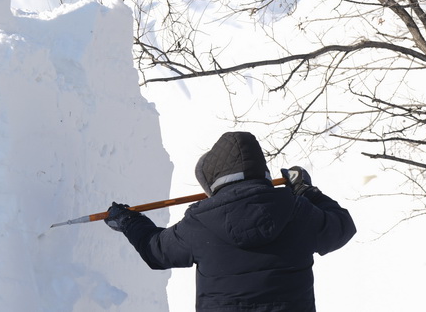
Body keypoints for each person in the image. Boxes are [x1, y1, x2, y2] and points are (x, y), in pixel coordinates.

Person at [104, 130, 355, 311]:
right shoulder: (297, 211)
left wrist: (128, 220)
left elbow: (155, 251)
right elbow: (343, 227)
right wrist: (307, 191)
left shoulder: (200, 222)